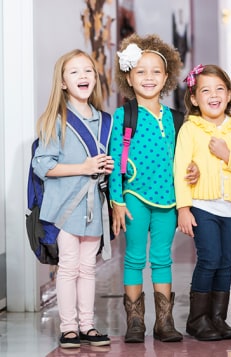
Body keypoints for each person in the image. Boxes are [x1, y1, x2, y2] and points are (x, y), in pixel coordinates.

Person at [109, 33, 196, 343]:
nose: (149, 77)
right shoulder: (124, 115)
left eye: (156, 71)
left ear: (167, 76)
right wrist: (116, 200)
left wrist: (193, 172)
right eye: (141, 71)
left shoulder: (176, 119)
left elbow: (183, 159)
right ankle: (135, 321)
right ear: (129, 77)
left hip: (168, 200)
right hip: (134, 196)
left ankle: (164, 320)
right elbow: (116, 162)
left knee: (162, 258)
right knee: (133, 257)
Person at [32, 49, 113, 348]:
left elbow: (103, 166)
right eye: (75, 72)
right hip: (64, 207)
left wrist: (107, 166)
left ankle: (87, 325)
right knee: (68, 266)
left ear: (95, 77)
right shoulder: (56, 119)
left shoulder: (105, 121)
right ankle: (68, 328)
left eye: (88, 71)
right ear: (63, 82)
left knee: (88, 267)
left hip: (93, 208)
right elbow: (42, 165)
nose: (83, 76)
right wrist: (84, 167)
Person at [174, 64, 231, 341]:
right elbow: (181, 169)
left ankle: (218, 318)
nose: (214, 95)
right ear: (195, 98)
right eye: (205, 90)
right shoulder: (190, 129)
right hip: (202, 205)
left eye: (220, 89)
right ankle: (197, 320)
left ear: (229, 94)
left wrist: (226, 154)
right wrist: (183, 208)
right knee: (209, 259)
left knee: (225, 262)